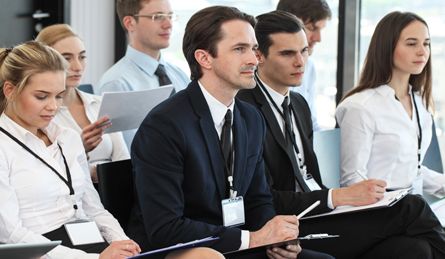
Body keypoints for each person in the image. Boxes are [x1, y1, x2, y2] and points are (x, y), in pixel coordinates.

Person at [237, 10, 445, 259]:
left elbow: (307, 177)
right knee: (413, 207)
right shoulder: (245, 110)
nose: (301, 62)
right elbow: (262, 197)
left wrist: (338, 202)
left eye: (304, 50)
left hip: (318, 213)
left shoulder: (298, 104)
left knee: (416, 249)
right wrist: (338, 196)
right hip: (291, 223)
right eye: (287, 53)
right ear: (259, 56)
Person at [0, 41, 222, 259]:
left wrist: (121, 241)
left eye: (59, 96)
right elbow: (10, 235)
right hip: (47, 252)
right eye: (41, 96)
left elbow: (93, 208)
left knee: (206, 256)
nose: (52, 106)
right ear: (10, 91)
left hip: (92, 241)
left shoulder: (68, 138)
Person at [127, 6, 333, 259]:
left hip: (237, 242)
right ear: (204, 58)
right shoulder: (165, 125)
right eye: (239, 49)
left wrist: (275, 238)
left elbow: (258, 199)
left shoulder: (250, 117)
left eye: (253, 48)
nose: (254, 59)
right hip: (186, 250)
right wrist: (253, 238)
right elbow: (166, 228)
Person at [336, 11, 445, 259]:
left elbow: (414, 170)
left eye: (426, 44)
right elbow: (352, 180)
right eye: (412, 44)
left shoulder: (420, 103)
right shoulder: (360, 106)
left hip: (414, 206)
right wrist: (389, 197)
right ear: (387, 48)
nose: (422, 52)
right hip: (380, 211)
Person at [36, 24, 129, 182]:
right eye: (67, 58)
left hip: (114, 192)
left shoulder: (100, 103)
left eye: (82, 57)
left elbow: (123, 161)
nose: (77, 67)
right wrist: (80, 150)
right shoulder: (41, 114)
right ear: (44, 61)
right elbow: (44, 173)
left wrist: (101, 174)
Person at [96, 0, 190, 148]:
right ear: (130, 23)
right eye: (158, 17)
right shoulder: (116, 83)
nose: (169, 25)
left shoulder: (180, 75)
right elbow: (122, 152)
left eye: (170, 16)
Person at [276, 0, 331, 132]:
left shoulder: (309, 66)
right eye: (312, 29)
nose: (318, 38)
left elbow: (310, 124)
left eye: (321, 29)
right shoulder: (254, 68)